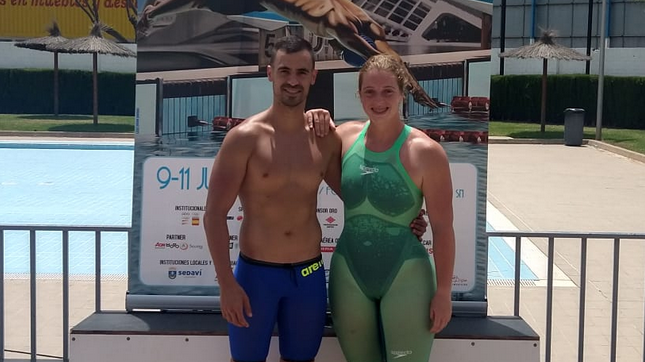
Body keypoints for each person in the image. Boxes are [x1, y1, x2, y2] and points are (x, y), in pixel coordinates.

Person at [202, 35, 427, 362]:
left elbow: (356, 194)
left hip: (307, 277)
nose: (292, 80)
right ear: (270, 74)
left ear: (313, 76)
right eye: (284, 71)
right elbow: (213, 215)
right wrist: (226, 284)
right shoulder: (244, 139)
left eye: (300, 72)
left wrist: (406, 218)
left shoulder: (324, 140)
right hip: (256, 276)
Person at [311, 54, 456, 362]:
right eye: (370, 92)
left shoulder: (427, 152)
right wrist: (315, 114)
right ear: (359, 95)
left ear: (403, 93)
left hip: (406, 274)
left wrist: (443, 293)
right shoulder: (344, 138)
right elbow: (302, 143)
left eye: (388, 91)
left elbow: (443, 229)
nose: (379, 100)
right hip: (349, 272)